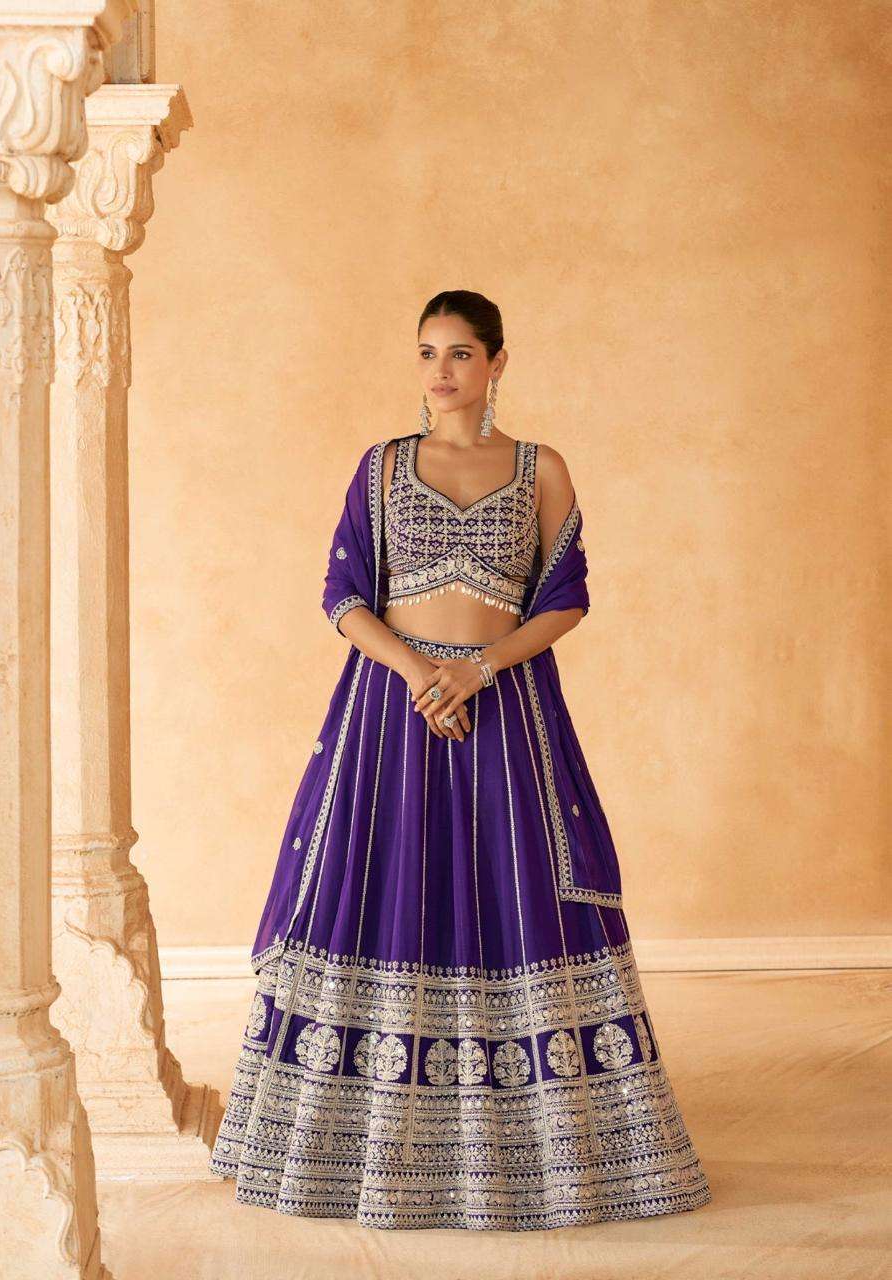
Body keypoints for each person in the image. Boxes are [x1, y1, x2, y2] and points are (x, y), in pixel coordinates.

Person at [209, 290, 712, 1230]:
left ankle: (537, 1153)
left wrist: (476, 670)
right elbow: (343, 595)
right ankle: (353, 1147)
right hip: (392, 714)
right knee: (381, 887)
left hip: (505, 706)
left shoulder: (539, 468)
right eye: (427, 352)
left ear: (497, 362)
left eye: (460, 353)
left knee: (512, 890)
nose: (441, 371)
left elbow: (564, 599)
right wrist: (421, 676)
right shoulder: (381, 467)